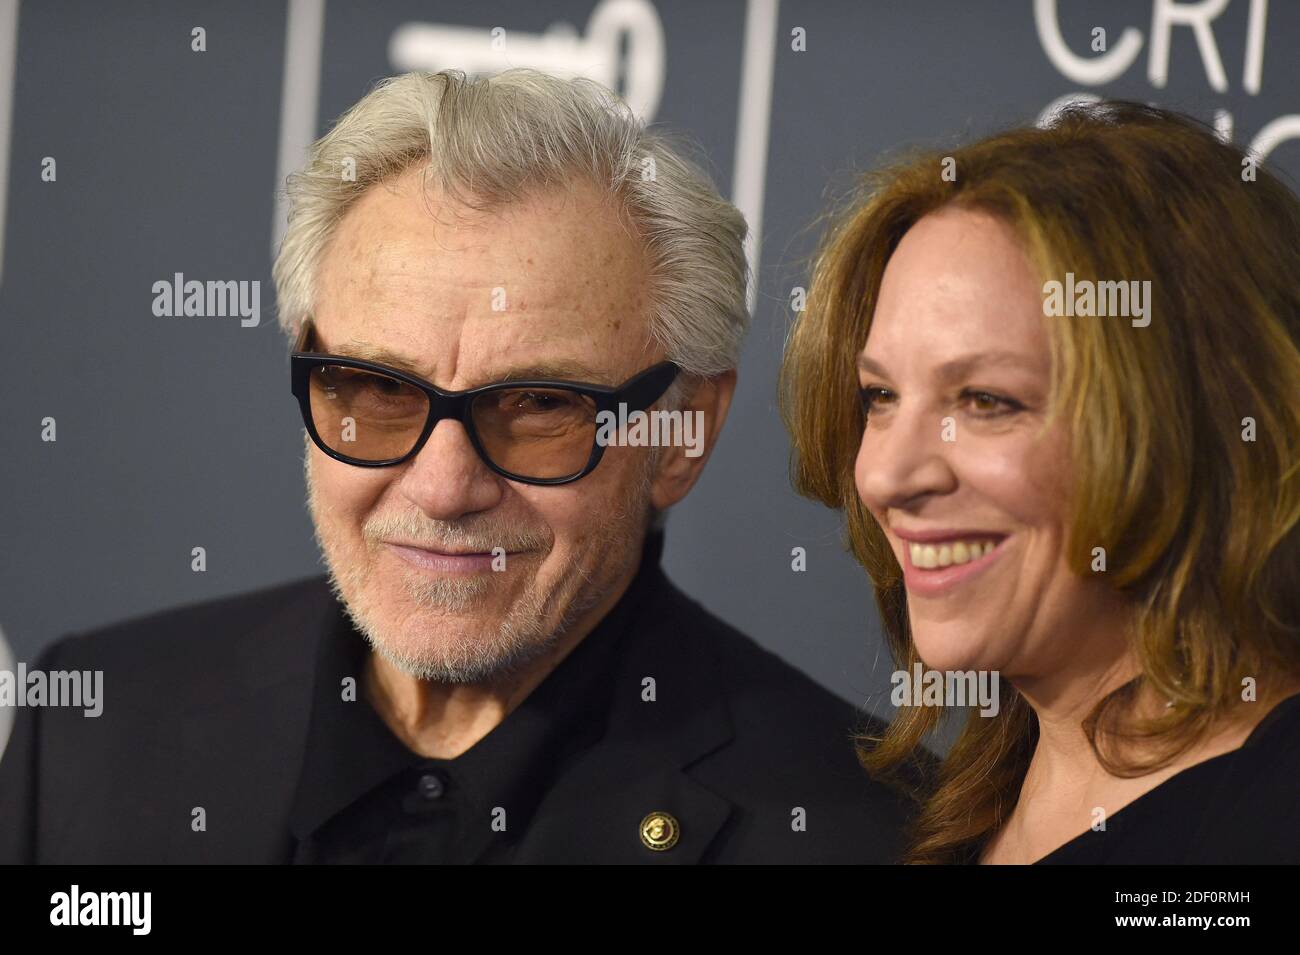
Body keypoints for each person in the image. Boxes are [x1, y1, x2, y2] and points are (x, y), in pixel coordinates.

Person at [0, 69, 914, 864]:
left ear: (681, 433)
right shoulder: (95, 726)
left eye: (539, 406)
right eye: (376, 389)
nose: (443, 488)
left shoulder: (865, 836)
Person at [781, 101, 1300, 864]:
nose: (888, 474)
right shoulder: (946, 813)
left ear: (1196, 423)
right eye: (880, 397)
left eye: (986, 401)